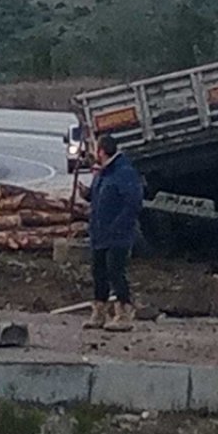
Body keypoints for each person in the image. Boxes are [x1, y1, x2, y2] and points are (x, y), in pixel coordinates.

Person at [78, 134, 144, 332]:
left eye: (95, 150)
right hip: (100, 234)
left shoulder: (124, 173)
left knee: (115, 272)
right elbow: (101, 197)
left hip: (117, 235)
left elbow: (133, 203)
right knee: (99, 273)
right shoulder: (103, 173)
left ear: (102, 151)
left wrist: (118, 226)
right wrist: (87, 194)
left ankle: (123, 313)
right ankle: (99, 312)